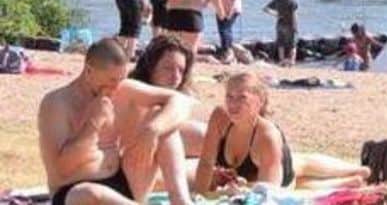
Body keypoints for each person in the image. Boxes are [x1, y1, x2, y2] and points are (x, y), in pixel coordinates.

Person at [135, 40, 370, 191]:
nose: (176, 76)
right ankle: (346, 180)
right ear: (151, 66)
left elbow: (270, 191)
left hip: (249, 161)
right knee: (293, 176)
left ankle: (352, 171)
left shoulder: (264, 132)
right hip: (216, 164)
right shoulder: (139, 97)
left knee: (295, 167)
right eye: (168, 68)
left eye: (180, 70)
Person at [37, 38, 194, 205]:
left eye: (121, 79)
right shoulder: (57, 104)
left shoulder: (121, 88)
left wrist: (152, 130)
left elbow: (182, 102)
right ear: (89, 71)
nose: (116, 87)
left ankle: (181, 201)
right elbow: (62, 169)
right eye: (111, 80)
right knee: (86, 193)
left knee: (163, 121)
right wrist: (93, 124)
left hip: (123, 183)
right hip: (75, 192)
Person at [195, 73, 369, 192]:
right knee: (301, 166)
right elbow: (205, 163)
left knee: (295, 174)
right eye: (229, 97)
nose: (233, 104)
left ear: (259, 101)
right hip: (251, 174)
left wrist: (246, 187)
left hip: (274, 176)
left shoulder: (266, 135)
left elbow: (269, 192)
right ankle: (350, 181)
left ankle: (356, 171)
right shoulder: (220, 117)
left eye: (242, 98)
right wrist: (199, 195)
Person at [264, 0, 298, 66]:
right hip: (290, 24)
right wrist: (295, 26)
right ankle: (292, 61)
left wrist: (275, 15)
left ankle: (281, 60)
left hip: (280, 24)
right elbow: (294, 15)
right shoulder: (292, 2)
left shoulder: (277, 0)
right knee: (292, 44)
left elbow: (265, 9)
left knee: (280, 43)